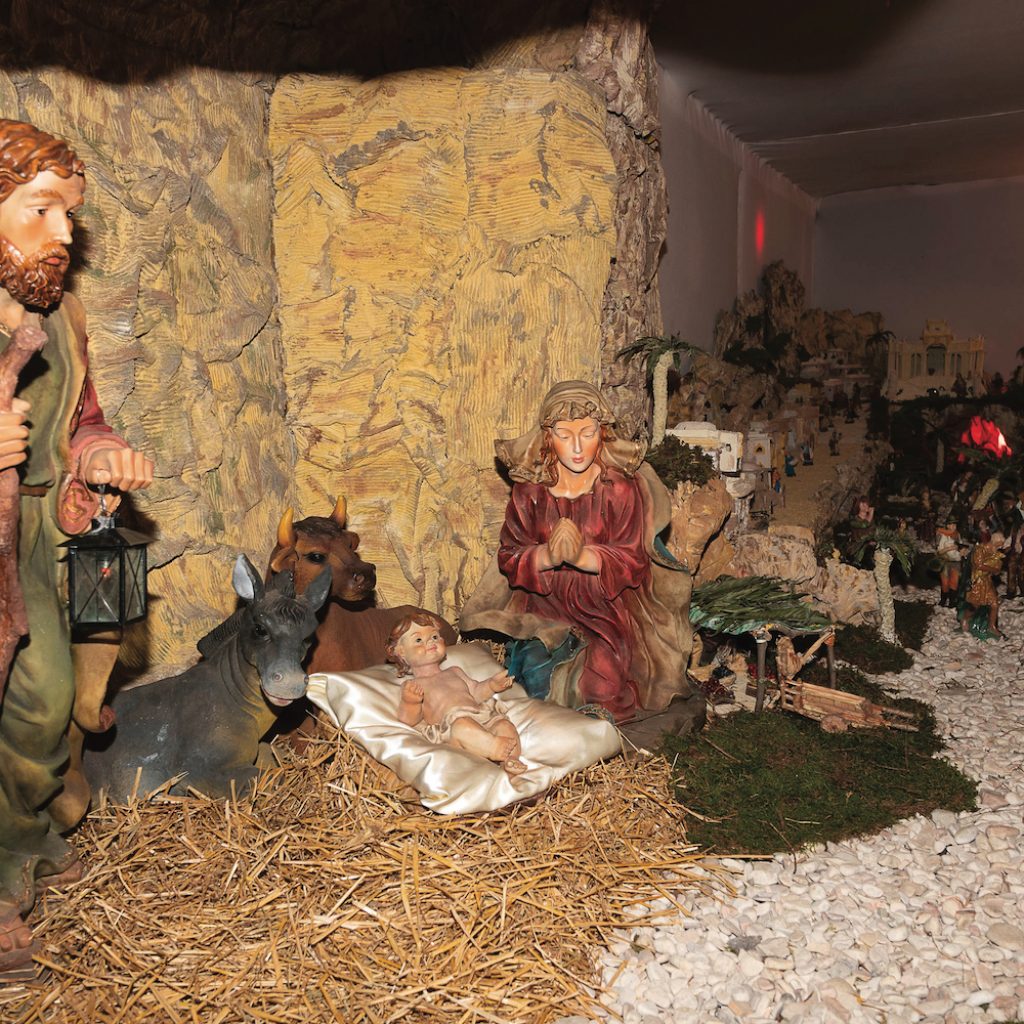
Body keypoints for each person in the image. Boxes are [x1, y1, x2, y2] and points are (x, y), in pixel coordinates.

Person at [0, 119, 154, 975]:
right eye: (42, 209)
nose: (63, 232)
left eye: (70, 213)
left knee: (47, 695)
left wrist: (99, 454)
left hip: (25, 534)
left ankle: (17, 845)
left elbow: (79, 418)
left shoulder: (60, 315)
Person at [461, 380, 693, 723]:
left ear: (603, 434)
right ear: (548, 437)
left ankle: (593, 724)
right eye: (564, 435)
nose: (577, 447)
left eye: (588, 433)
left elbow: (632, 558)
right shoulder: (531, 492)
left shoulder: (618, 489)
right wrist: (547, 557)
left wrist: (583, 557)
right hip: (544, 611)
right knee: (536, 681)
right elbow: (510, 554)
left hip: (603, 611)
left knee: (602, 685)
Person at [386, 612, 526, 775]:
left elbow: (475, 692)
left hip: (481, 718)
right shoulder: (413, 686)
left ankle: (511, 760)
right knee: (462, 727)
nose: (430, 641)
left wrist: (491, 685)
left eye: (434, 636)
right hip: (453, 729)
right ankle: (494, 748)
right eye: (418, 640)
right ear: (401, 651)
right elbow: (408, 720)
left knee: (504, 726)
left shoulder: (454, 671)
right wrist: (411, 702)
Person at [935, 520, 963, 608]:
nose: (953, 526)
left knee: (954, 583)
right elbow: (939, 552)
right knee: (945, 583)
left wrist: (961, 550)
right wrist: (949, 548)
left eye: (955, 524)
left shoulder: (957, 535)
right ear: (947, 526)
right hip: (946, 562)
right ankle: (943, 600)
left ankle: (952, 601)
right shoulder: (943, 535)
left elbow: (960, 546)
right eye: (951, 524)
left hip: (956, 561)